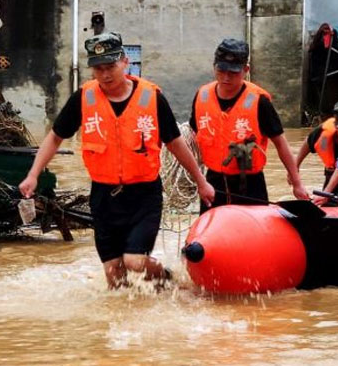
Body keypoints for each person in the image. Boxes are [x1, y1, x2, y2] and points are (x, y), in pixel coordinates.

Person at [18, 33, 215, 289]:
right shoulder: (84, 98)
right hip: (104, 197)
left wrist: (201, 181)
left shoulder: (152, 98)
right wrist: (33, 174)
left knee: (134, 260)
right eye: (98, 69)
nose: (105, 74)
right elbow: (55, 137)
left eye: (110, 66)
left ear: (125, 62)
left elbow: (175, 143)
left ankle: (168, 279)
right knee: (114, 275)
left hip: (144, 195)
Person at [191, 39, 308, 212]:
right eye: (221, 70)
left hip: (251, 184)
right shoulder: (202, 96)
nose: (226, 77)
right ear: (214, 66)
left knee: (256, 235)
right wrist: (198, 179)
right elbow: (191, 137)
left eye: (233, 72)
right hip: (214, 182)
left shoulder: (259, 102)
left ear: (246, 70)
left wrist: (296, 183)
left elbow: (281, 143)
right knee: (210, 236)